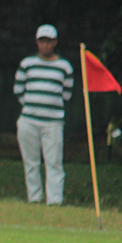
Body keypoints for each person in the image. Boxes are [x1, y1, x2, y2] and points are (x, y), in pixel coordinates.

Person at [14, 24, 74, 206]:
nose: (45, 45)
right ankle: (34, 198)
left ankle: (54, 200)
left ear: (55, 43)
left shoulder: (64, 66)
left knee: (54, 162)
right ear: (37, 42)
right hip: (29, 120)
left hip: (53, 122)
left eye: (49, 42)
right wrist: (32, 106)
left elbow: (67, 94)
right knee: (31, 162)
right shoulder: (27, 64)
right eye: (42, 41)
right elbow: (18, 90)